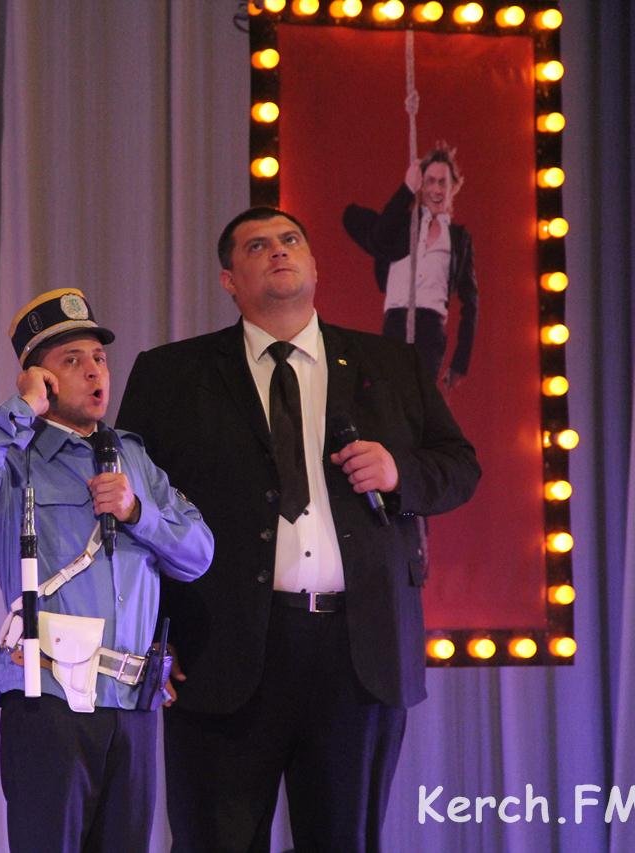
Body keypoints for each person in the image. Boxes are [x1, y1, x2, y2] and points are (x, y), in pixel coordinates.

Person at [117, 207, 480, 852]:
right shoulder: (172, 373)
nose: (278, 251)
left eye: (290, 240)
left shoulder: (389, 364)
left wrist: (400, 472)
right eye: (257, 246)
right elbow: (130, 515)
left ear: (314, 265)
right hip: (218, 649)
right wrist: (147, 636)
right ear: (230, 280)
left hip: (358, 654)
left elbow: (460, 467)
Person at [0, 288, 214, 852]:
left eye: (99, 358)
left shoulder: (133, 456)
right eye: (72, 361)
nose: (94, 372)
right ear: (40, 378)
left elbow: (199, 554)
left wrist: (137, 512)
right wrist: (24, 407)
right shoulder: (15, 457)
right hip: (50, 698)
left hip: (132, 703)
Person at [343, 143, 479, 391]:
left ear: (453, 187)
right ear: (421, 185)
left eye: (443, 183)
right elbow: (377, 237)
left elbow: (470, 303)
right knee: (391, 395)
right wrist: (406, 189)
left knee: (417, 399)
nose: (436, 189)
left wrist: (460, 362)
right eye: (430, 182)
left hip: (431, 329)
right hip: (396, 321)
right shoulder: (403, 226)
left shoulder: (458, 238)